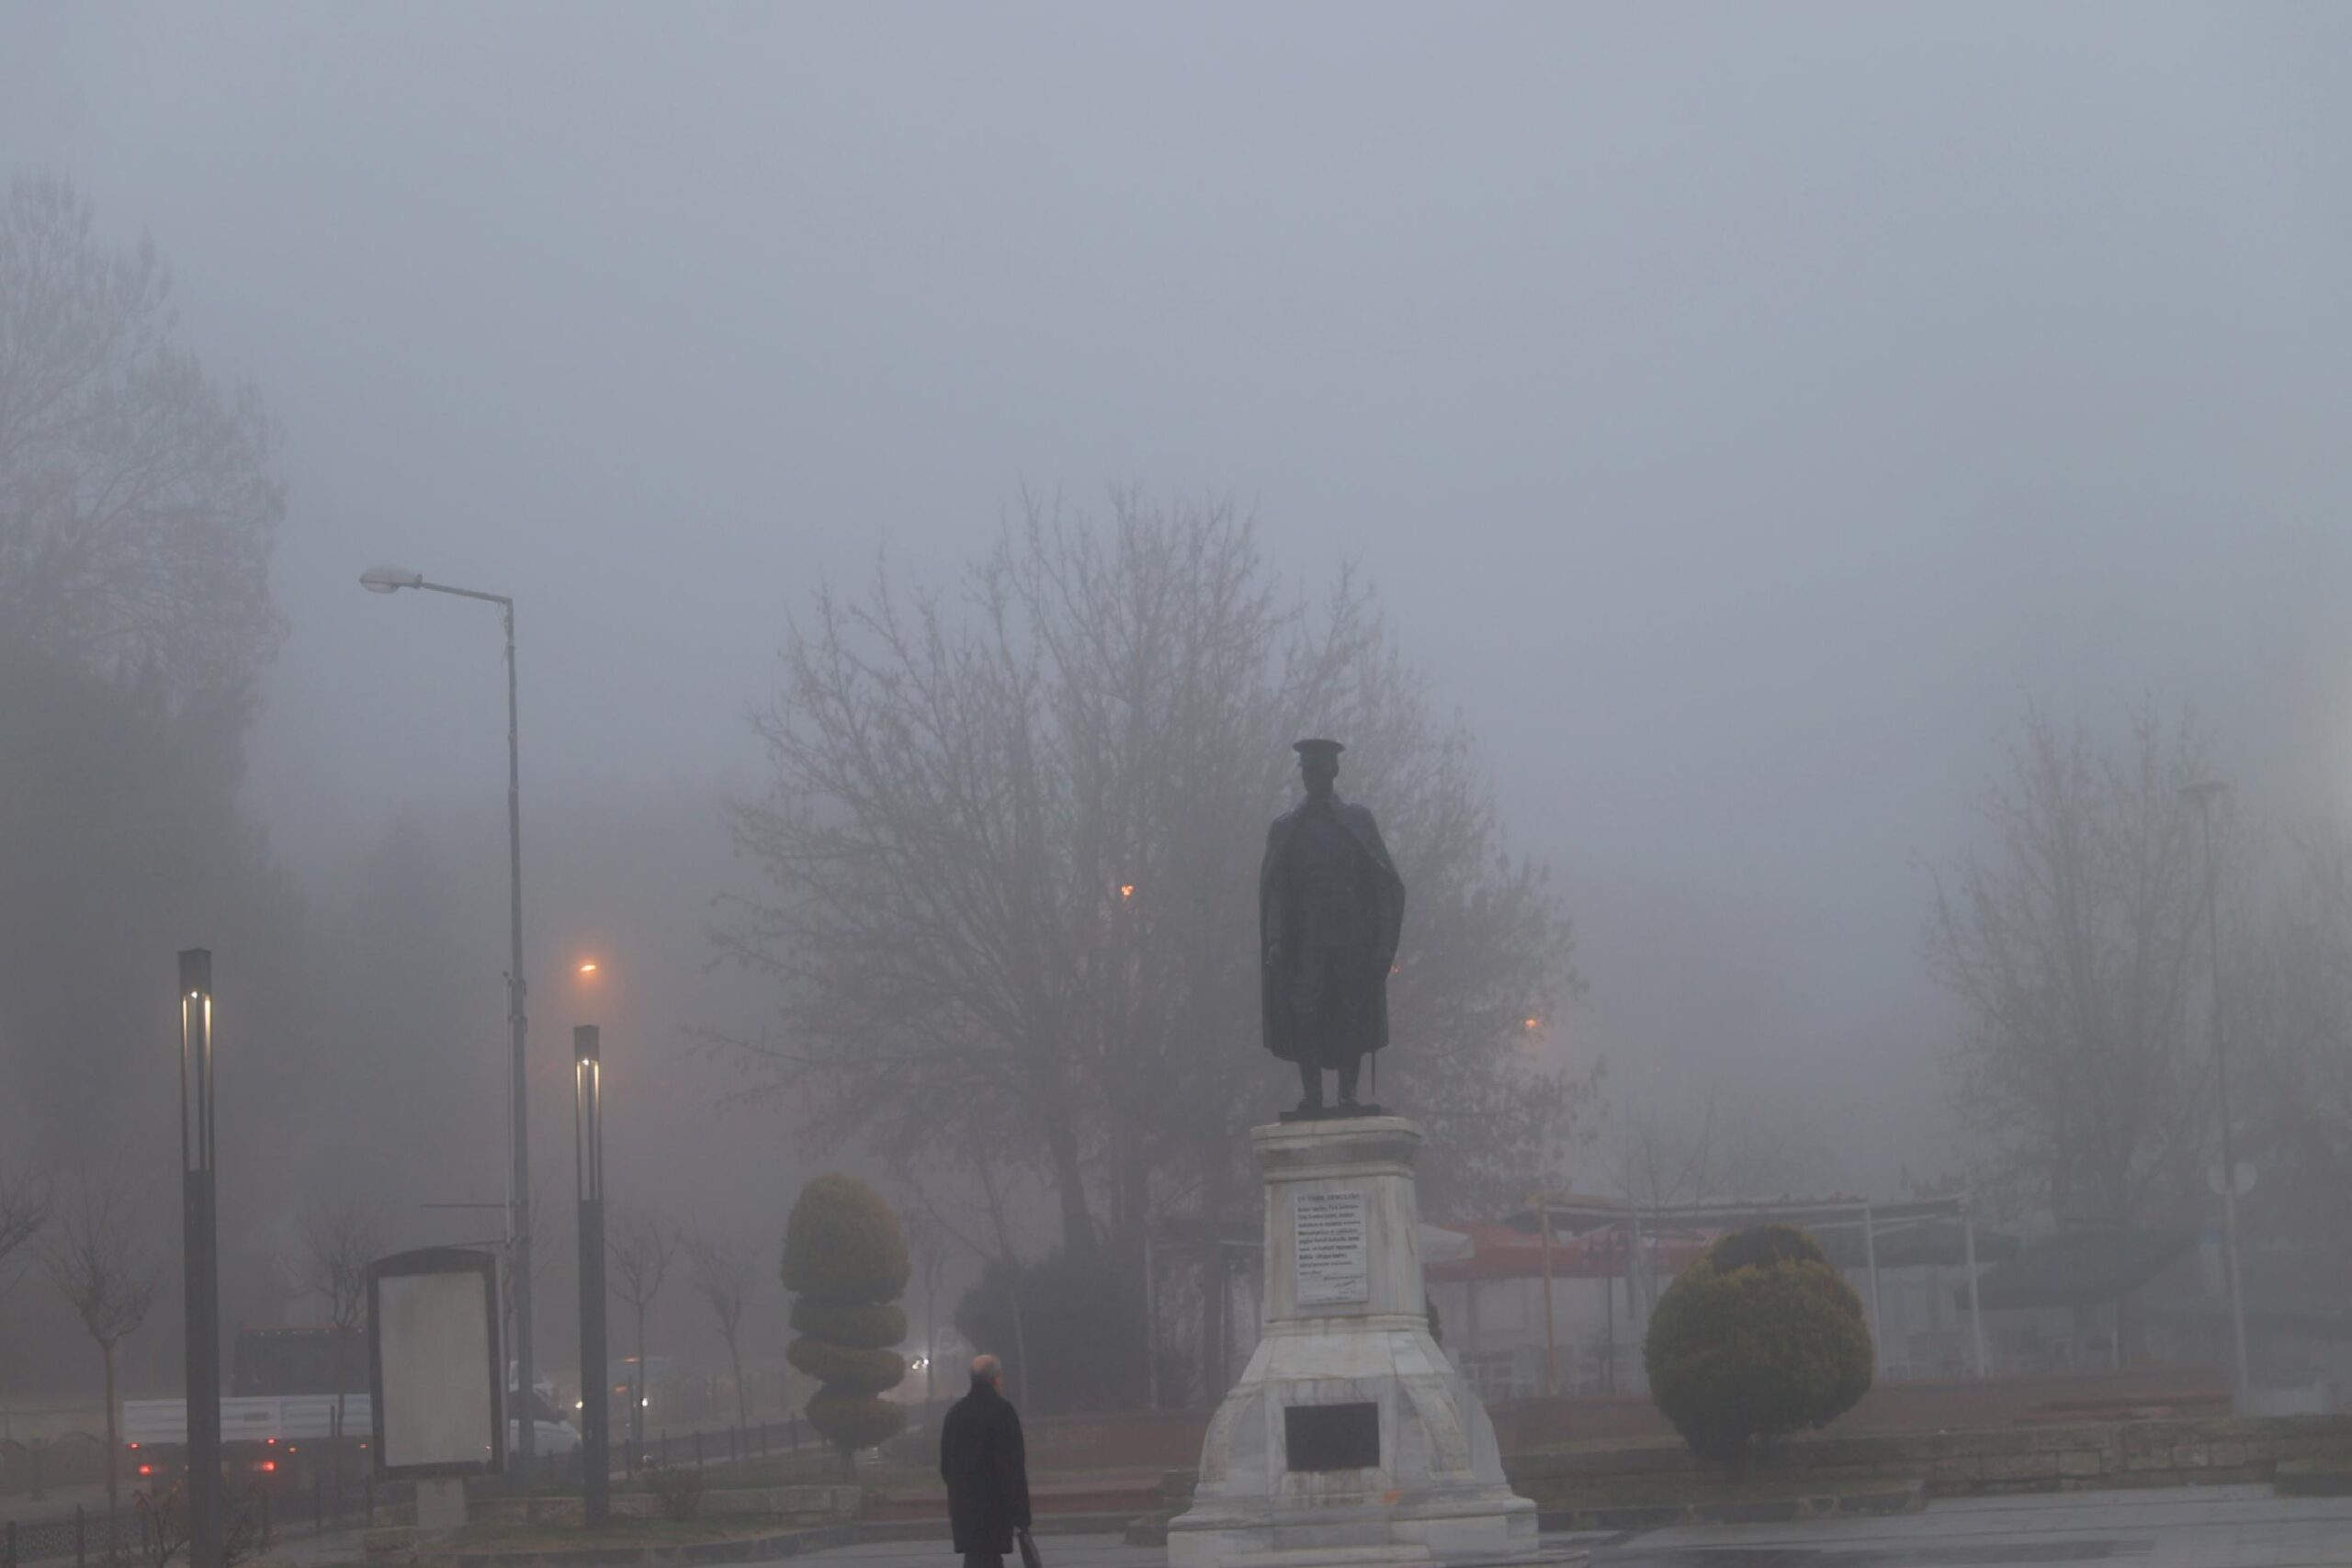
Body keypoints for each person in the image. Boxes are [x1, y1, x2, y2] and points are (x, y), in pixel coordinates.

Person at [1261, 738, 1406, 1113]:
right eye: (1307, 771)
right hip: (1306, 935)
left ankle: (1347, 1094)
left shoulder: (1357, 821)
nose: (1312, 777)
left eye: (1319, 770)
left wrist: (1382, 945)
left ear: (1333, 771)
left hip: (1349, 932)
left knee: (1350, 1007)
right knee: (1304, 1009)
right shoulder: (1287, 826)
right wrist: (1276, 937)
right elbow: (1277, 888)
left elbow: (1381, 883)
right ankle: (1312, 1094)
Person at [939, 1352, 1032, 1568]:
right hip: (995, 1509)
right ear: (996, 1378)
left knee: (975, 1559)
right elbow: (1013, 1467)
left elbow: (946, 1466)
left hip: (965, 1510)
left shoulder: (955, 1415)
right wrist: (1021, 1516)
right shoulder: (1002, 1412)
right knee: (990, 1559)